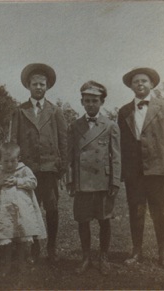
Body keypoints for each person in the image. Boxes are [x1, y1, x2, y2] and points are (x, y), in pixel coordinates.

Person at [118, 67, 164, 269]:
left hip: (157, 170)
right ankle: (137, 251)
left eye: (144, 81)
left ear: (152, 84)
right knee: (136, 210)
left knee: (160, 212)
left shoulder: (163, 106)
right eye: (136, 82)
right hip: (134, 172)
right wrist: (123, 170)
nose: (140, 84)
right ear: (131, 86)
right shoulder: (124, 111)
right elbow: (122, 144)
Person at [10, 63, 67, 263]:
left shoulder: (55, 111)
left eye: (42, 84)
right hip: (28, 170)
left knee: (51, 208)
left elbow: (63, 140)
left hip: (50, 169)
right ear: (28, 86)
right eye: (35, 84)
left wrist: (62, 167)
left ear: (48, 86)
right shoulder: (20, 111)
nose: (39, 87)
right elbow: (14, 141)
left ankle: (51, 248)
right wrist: (16, 168)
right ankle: (34, 247)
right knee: (31, 209)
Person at [67, 81, 121, 275]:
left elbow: (116, 156)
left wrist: (114, 181)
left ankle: (103, 257)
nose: (90, 104)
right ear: (82, 102)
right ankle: (86, 257)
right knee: (83, 220)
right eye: (87, 100)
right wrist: (70, 180)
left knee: (104, 220)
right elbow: (70, 156)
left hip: (102, 182)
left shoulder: (110, 125)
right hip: (82, 181)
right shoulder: (74, 125)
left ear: (102, 102)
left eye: (95, 100)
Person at [0, 142, 46, 278]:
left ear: (19, 158)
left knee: (21, 239)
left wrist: (18, 181)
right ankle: (6, 266)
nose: (10, 164)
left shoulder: (23, 170)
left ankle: (21, 265)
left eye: (13, 161)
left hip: (21, 211)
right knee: (6, 237)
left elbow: (33, 182)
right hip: (4, 212)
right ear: (0, 160)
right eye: (6, 161)